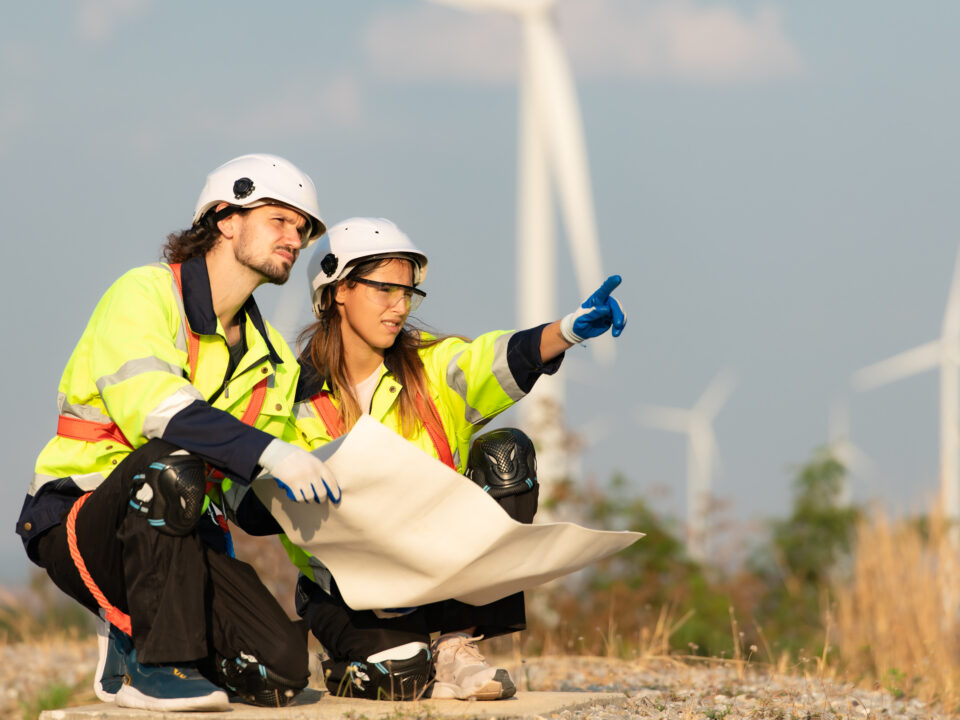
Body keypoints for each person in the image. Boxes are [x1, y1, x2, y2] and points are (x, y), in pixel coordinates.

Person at [16, 154, 341, 712]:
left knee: (279, 674)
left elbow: (246, 501)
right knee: (172, 462)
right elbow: (160, 410)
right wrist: (271, 452)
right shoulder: (143, 294)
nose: (297, 237)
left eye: (304, 228)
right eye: (280, 220)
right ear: (225, 218)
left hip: (185, 531)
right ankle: (148, 663)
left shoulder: (276, 362)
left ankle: (154, 627)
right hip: (83, 516)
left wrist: (313, 491)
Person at [284, 217, 626, 701]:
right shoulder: (291, 396)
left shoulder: (433, 368)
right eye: (385, 290)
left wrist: (565, 331)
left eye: (407, 294)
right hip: (351, 579)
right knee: (400, 682)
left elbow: (497, 357)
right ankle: (364, 662)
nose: (399, 307)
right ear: (338, 290)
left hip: (436, 566)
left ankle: (455, 642)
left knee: (506, 452)